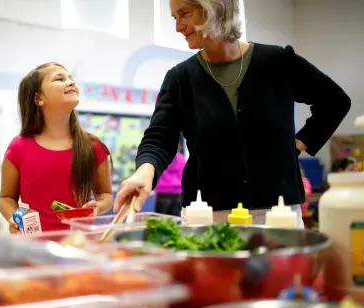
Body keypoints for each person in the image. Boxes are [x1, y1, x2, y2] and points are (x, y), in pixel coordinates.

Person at [114, 0, 351, 229]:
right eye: (175, 18)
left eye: (185, 14)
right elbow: (160, 137)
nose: (178, 27)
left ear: (213, 8)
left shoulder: (277, 62)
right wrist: (144, 171)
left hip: (277, 212)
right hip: (207, 214)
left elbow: (335, 101)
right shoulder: (180, 79)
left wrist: (296, 146)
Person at [0, 63, 113, 233]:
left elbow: (106, 196)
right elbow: (6, 198)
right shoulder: (19, 147)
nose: (71, 82)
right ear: (38, 98)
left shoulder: (93, 145)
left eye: (71, 78)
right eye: (60, 79)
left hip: (80, 247)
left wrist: (98, 206)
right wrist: (17, 217)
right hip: (34, 248)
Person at [154, 144, 186, 216]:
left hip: (163, 193)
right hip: (178, 193)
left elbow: (157, 174)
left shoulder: (160, 158)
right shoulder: (181, 158)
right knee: (177, 222)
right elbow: (184, 176)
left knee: (160, 221)